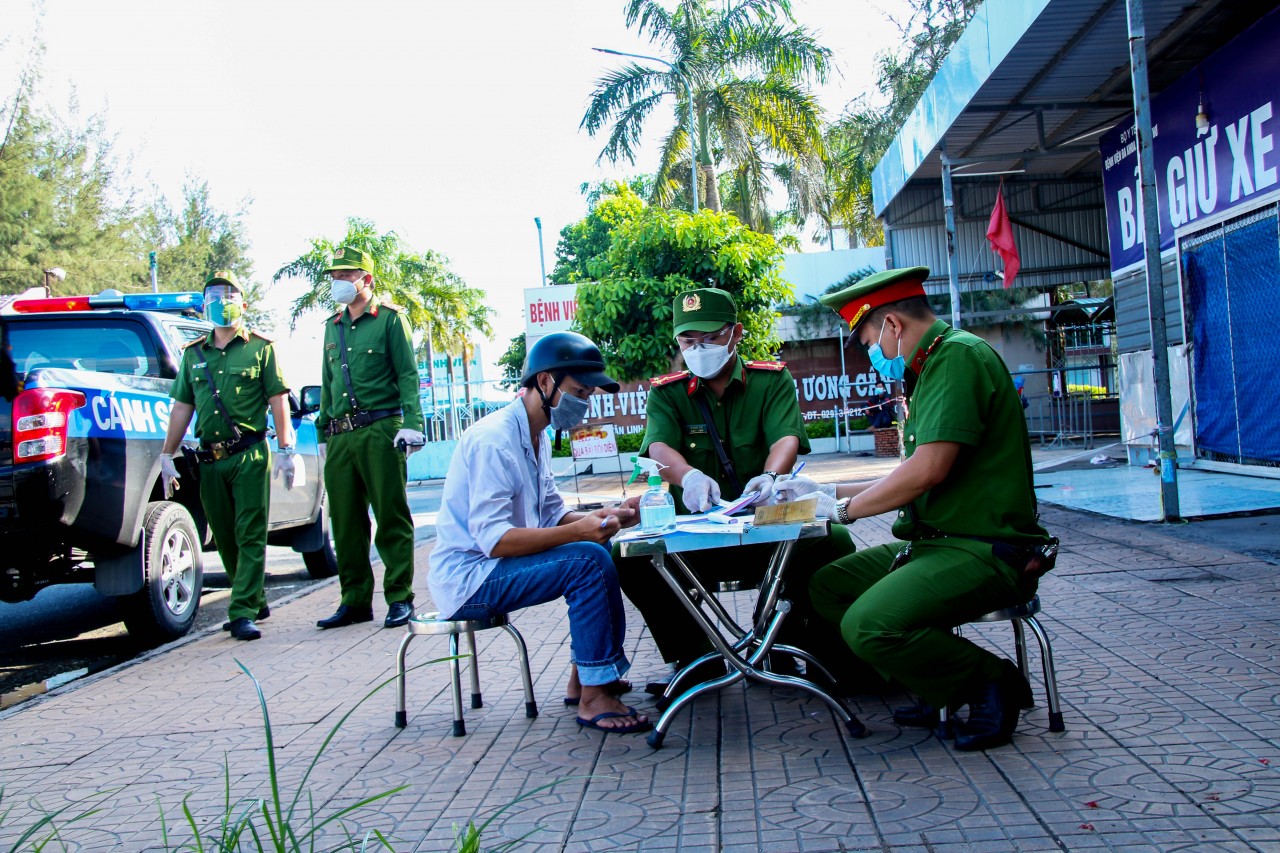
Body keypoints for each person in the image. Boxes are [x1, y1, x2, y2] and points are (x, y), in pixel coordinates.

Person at [775, 266, 1057, 751]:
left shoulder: (957, 360)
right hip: (939, 543)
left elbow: (927, 471)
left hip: (983, 548)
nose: (870, 352)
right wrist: (824, 496)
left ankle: (992, 681)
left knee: (867, 624)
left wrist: (846, 512)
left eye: (866, 338)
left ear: (892, 326)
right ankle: (933, 680)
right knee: (830, 586)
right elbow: (910, 472)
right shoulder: (928, 370)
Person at [612, 287, 859, 692]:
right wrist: (688, 476)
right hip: (693, 539)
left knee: (833, 541)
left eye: (709, 337)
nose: (699, 347)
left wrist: (772, 477)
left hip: (767, 529)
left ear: (736, 333)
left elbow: (785, 438)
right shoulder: (666, 392)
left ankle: (790, 644)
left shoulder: (770, 382)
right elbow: (657, 447)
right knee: (626, 558)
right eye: (688, 340)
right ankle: (695, 658)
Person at [428, 331, 650, 734]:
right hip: (470, 579)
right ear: (545, 382)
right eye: (578, 392)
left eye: (589, 395)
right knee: (587, 561)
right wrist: (579, 534)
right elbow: (494, 540)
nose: (584, 403)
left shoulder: (535, 435)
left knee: (604, 548)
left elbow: (551, 513)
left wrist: (604, 517)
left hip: (496, 567)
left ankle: (586, 677)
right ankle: (594, 695)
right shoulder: (494, 441)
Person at [159, 271, 298, 642]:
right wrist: (166, 455)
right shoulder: (193, 355)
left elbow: (278, 400)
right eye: (214, 296)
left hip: (249, 453)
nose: (222, 302)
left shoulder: (260, 348)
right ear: (204, 306)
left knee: (249, 532)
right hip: (209, 459)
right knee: (224, 536)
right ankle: (254, 597)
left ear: (243, 303)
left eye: (229, 294)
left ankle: (241, 612)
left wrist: (286, 450)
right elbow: (181, 407)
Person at [315, 246, 425, 630]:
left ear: (367, 279)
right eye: (335, 276)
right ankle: (355, 600)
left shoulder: (391, 321)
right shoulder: (333, 325)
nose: (339, 282)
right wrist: (322, 431)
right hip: (341, 435)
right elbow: (329, 382)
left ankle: (399, 597)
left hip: (381, 428)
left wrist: (413, 422)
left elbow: (408, 375)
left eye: (347, 275)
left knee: (391, 515)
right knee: (345, 521)